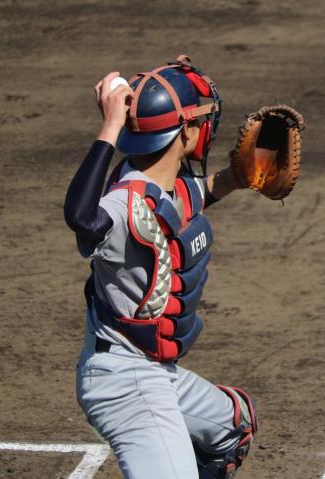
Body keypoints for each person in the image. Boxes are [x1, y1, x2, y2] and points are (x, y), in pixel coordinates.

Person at [64, 56, 257, 479]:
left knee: (232, 426)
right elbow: (82, 217)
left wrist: (236, 177)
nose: (208, 128)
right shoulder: (123, 203)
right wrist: (109, 128)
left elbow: (190, 198)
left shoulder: (157, 185)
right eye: (203, 119)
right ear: (186, 132)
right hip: (124, 383)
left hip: (155, 372)